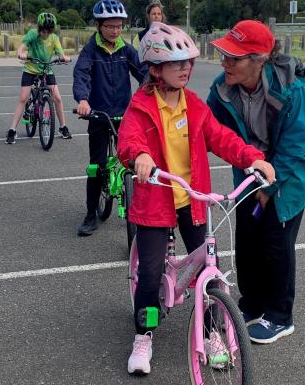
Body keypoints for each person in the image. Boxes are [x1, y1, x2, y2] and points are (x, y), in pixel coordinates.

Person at [117, 22, 276, 375]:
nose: (186, 68)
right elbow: (129, 141)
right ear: (156, 70)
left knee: (210, 271)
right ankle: (143, 336)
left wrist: (252, 157)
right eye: (177, 63)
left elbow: (221, 137)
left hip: (192, 199)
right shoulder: (141, 105)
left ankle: (212, 334)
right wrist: (140, 156)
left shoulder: (193, 105)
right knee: (150, 275)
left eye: (188, 61)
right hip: (155, 200)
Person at [207, 20, 305, 344]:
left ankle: (279, 315)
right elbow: (209, 129)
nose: (225, 63)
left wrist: (270, 188)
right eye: (224, 56)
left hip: (294, 171)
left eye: (234, 58)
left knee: (276, 239)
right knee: (247, 236)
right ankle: (251, 304)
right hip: (252, 171)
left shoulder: (291, 88)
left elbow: (296, 141)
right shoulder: (222, 89)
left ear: (259, 60)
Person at [73, 0, 147, 236]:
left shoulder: (126, 50)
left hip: (126, 116)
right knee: (97, 167)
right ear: (98, 26)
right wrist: (83, 100)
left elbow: (143, 72)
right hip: (99, 115)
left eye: (118, 26)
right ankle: (91, 213)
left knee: (135, 162)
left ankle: (142, 211)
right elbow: (82, 74)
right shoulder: (90, 50)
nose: (115, 31)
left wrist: (148, 94)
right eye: (110, 26)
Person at [6, 12, 72, 144]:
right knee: (23, 99)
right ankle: (12, 130)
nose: (45, 33)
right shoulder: (32, 34)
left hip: (46, 69)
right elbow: (21, 47)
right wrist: (21, 53)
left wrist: (64, 57)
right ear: (39, 28)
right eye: (43, 30)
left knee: (57, 98)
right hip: (30, 69)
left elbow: (60, 52)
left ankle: (63, 127)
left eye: (48, 31)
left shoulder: (53, 38)